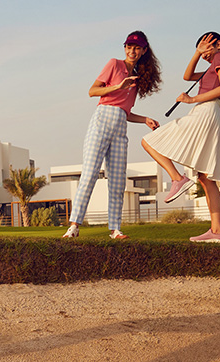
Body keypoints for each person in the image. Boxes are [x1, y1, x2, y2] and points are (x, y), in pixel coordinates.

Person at [63, 31, 161, 240]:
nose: (132, 51)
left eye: (136, 48)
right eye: (128, 46)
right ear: (124, 48)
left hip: (119, 129)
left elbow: (124, 111)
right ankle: (74, 226)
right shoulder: (114, 64)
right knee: (89, 174)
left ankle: (115, 229)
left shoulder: (138, 79)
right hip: (101, 121)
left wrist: (144, 119)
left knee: (117, 181)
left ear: (144, 51)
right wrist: (118, 85)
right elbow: (92, 91)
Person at [141, 32, 220, 243]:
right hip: (211, 114)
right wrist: (197, 53)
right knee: (204, 177)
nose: (203, 55)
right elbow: (187, 76)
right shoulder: (214, 65)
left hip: (206, 111)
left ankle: (177, 178)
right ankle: (217, 231)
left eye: (205, 48)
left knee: (148, 141)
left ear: (217, 44)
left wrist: (192, 99)